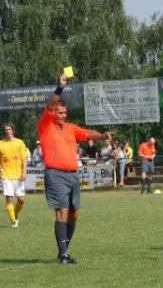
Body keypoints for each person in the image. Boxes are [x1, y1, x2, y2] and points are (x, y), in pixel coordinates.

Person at [37, 71, 114, 264]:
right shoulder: (45, 125)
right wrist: (60, 87)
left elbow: (86, 133)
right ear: (53, 112)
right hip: (55, 174)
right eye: (59, 112)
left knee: (74, 214)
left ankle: (64, 250)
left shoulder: (70, 127)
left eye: (64, 113)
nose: (62, 115)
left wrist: (102, 136)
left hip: (72, 175)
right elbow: (51, 103)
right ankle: (63, 254)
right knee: (61, 211)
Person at [0, 122, 28, 228]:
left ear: (13, 130)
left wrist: (24, 172)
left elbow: (24, 159)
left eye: (9, 129)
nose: (7, 131)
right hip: (6, 175)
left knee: (21, 200)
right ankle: (13, 222)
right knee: (9, 198)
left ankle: (15, 213)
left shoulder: (20, 143)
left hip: (18, 175)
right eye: (5, 130)